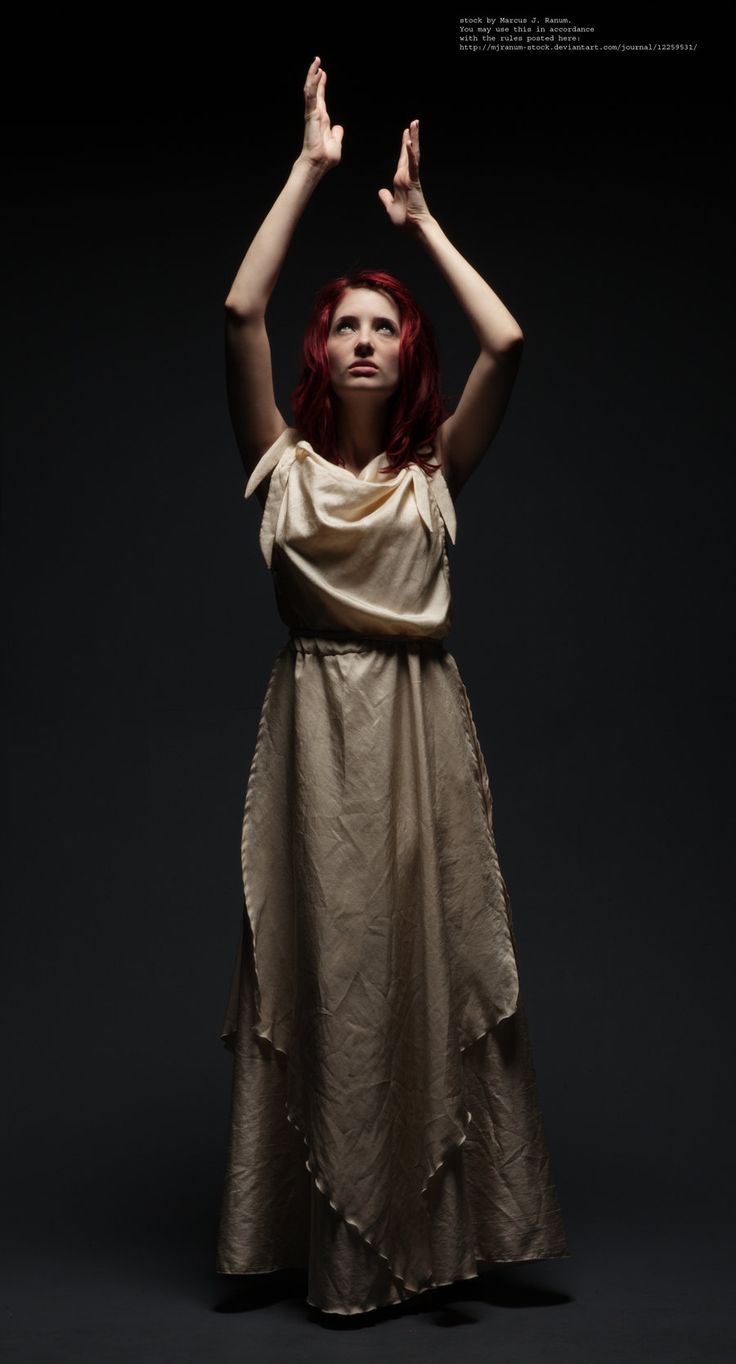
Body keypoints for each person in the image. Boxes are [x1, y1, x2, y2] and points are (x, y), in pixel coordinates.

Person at [215, 54, 569, 1319]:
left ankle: (440, 1239)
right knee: (331, 967)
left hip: (418, 730)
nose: (365, 339)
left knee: (418, 964)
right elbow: (237, 313)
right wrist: (309, 169)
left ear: (404, 353)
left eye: (386, 325)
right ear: (326, 349)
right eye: (348, 324)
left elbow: (510, 338)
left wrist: (420, 225)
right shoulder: (284, 463)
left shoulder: (433, 475)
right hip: (316, 726)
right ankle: (324, 1249)